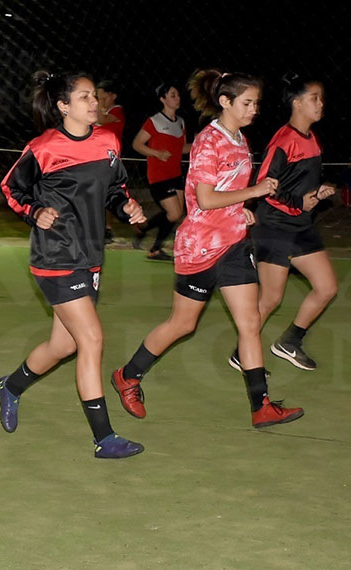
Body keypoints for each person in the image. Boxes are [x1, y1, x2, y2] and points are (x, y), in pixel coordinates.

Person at [111, 70, 305, 429]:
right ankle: (127, 375)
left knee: (250, 323)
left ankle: (261, 405)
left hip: (234, 244)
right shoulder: (208, 141)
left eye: (256, 103)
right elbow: (204, 199)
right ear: (225, 102)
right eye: (247, 103)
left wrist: (241, 209)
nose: (254, 109)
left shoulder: (241, 140)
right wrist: (254, 192)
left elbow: (226, 192)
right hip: (199, 247)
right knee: (182, 324)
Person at [0, 70, 147, 459]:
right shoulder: (44, 148)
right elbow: (11, 188)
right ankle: (104, 438)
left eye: (94, 95)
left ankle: (10, 387)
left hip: (90, 256)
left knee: (62, 344)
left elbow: (115, 190)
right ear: (63, 106)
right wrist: (34, 211)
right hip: (56, 256)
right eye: (84, 97)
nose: (94, 102)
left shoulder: (108, 141)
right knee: (91, 339)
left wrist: (126, 207)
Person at [235, 75, 337, 372]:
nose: (321, 103)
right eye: (314, 97)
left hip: (301, 225)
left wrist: (318, 193)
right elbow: (264, 185)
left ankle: (290, 341)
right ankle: (242, 354)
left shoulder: (312, 139)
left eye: (321, 98)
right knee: (270, 299)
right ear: (297, 103)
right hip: (274, 226)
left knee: (327, 287)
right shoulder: (283, 141)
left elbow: (300, 185)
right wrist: (297, 202)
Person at [131, 82, 191, 261]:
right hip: (159, 175)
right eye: (173, 95)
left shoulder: (180, 122)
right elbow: (137, 144)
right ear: (162, 99)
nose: (177, 98)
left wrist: (199, 145)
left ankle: (149, 239)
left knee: (175, 214)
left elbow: (181, 149)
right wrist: (157, 153)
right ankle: (150, 239)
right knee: (174, 213)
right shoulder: (154, 121)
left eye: (178, 95)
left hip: (175, 174)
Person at [95, 79, 124, 244]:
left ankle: (107, 228)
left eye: (103, 96)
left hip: (110, 158)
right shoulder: (100, 111)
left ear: (113, 96)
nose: (100, 100)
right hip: (95, 156)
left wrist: (99, 103)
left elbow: (102, 119)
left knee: (108, 194)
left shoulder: (117, 110)